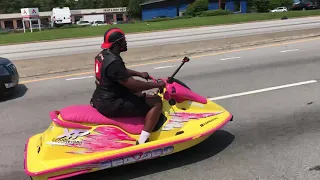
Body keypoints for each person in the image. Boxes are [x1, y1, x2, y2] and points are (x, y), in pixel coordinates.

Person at [90, 27, 165, 145]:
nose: (126, 42)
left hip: (100, 97)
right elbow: (133, 85)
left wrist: (139, 74)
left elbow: (120, 72)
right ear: (117, 43)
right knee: (156, 101)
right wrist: (157, 84)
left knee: (139, 95)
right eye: (123, 40)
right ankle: (143, 140)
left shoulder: (103, 55)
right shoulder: (114, 62)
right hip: (111, 103)